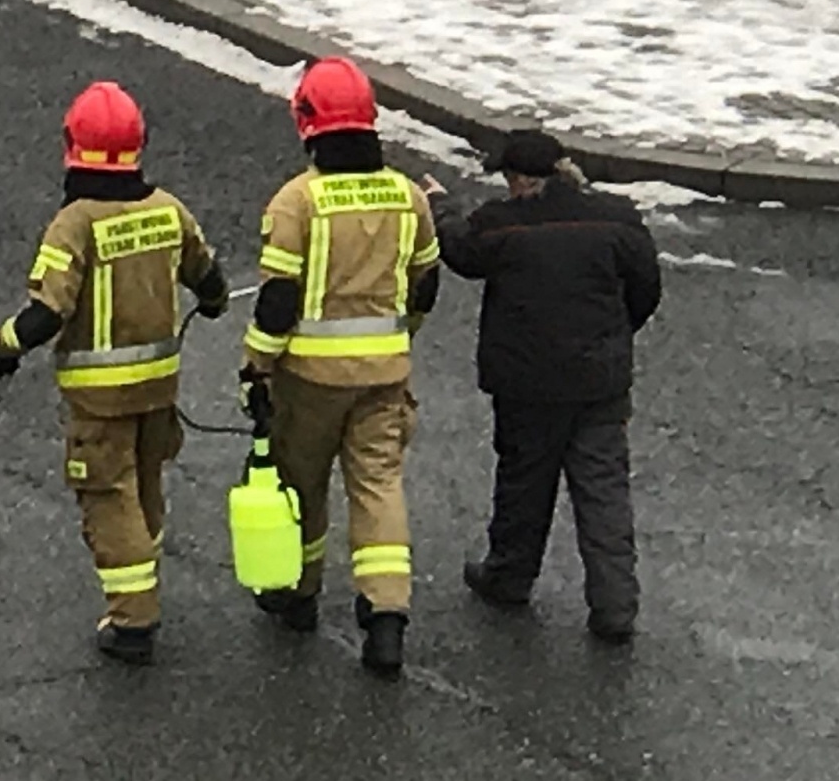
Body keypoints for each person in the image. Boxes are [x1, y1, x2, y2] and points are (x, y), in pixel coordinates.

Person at [0, 81, 230, 665]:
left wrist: (6, 345)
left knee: (108, 497)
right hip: (158, 388)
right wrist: (214, 301)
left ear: (72, 146)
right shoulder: (168, 209)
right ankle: (144, 588)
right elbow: (209, 278)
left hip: (100, 401)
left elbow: (49, 311)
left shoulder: (75, 223)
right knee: (145, 490)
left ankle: (132, 621)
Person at [238, 57, 441, 677]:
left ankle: (298, 595)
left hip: (310, 380)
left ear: (307, 122)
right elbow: (426, 283)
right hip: (385, 375)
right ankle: (386, 617)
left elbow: (278, 301)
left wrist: (257, 367)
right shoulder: (408, 196)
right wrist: (401, 337)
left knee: (303, 486)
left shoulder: (297, 201)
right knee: (378, 486)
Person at [423, 130, 662, 642]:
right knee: (603, 489)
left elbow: (461, 251)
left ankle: (509, 577)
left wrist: (439, 204)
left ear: (520, 179)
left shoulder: (503, 224)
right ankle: (615, 606)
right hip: (599, 379)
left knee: (524, 482)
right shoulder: (617, 218)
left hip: (526, 382)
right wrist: (614, 336)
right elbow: (645, 288)